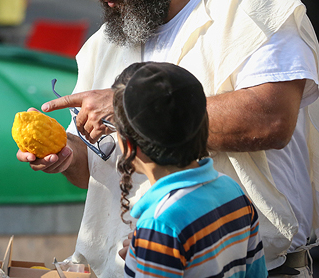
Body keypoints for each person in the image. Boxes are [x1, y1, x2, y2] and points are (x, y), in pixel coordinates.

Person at [16, 0, 319, 277]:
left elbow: (272, 119)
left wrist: (125, 107)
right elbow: (103, 170)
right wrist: (68, 158)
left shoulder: (252, 0)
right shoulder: (103, 46)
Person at [111, 62, 267, 277]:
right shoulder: (233, 191)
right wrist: (146, 253)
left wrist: (149, 250)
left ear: (129, 145)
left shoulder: (161, 225)